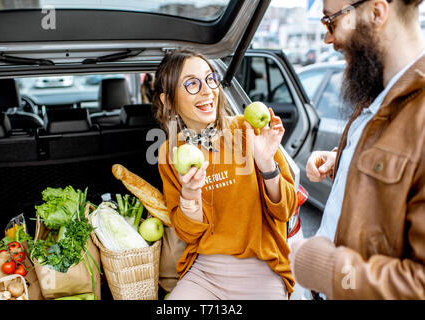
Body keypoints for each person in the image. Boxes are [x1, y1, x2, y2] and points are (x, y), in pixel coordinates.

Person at [289, 0, 425, 299]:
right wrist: (344, 161)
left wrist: (328, 270)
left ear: (376, 13)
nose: (328, 38)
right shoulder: (377, 94)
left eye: (331, 22)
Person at [152, 49, 298, 299]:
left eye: (210, 79)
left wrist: (266, 165)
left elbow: (285, 210)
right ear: (168, 101)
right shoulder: (170, 152)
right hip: (205, 273)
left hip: (262, 269)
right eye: (191, 84)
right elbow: (188, 233)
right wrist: (190, 193)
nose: (207, 91)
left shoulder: (248, 129)